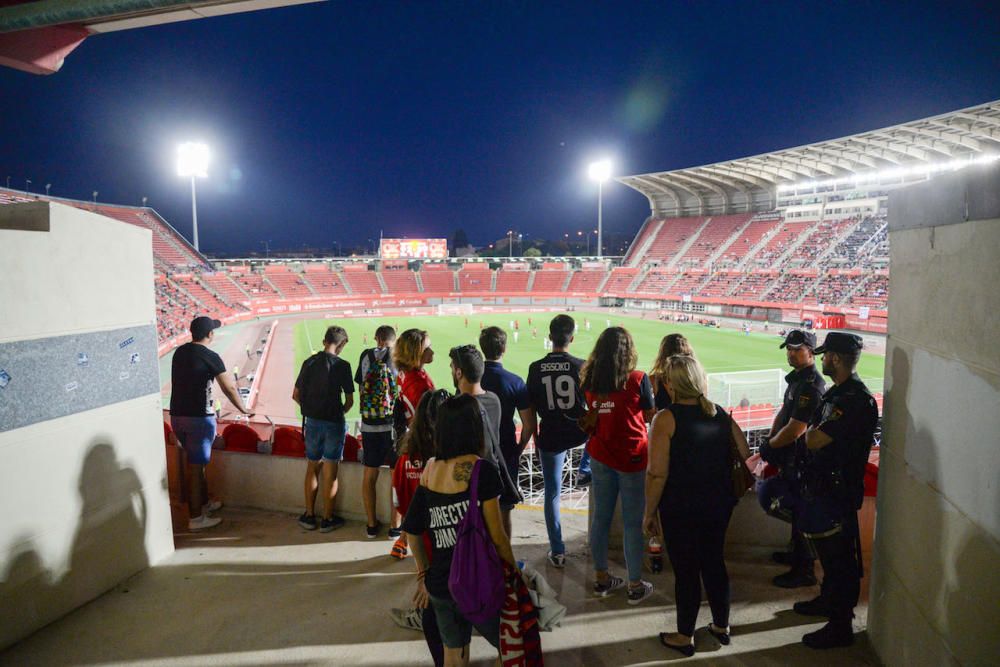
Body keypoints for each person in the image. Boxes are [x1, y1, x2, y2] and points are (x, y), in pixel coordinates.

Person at [643, 355, 750, 656]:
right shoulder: (718, 414)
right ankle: (721, 626)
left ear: (669, 383)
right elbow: (744, 453)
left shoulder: (665, 418)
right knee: (714, 562)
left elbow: (656, 473)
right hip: (719, 503)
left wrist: (649, 512)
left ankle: (684, 635)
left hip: (681, 505)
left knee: (687, 570)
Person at [401, 394, 519, 667]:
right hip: (479, 581)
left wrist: (424, 574)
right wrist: (514, 575)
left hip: (442, 583)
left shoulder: (430, 470)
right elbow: (498, 537)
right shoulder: (483, 470)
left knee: (454, 657)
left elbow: (413, 530)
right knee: (509, 644)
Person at [795, 332, 879, 649]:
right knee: (829, 556)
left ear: (836, 359)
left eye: (825, 355)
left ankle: (840, 625)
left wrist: (811, 435)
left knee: (840, 559)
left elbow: (814, 438)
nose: (822, 359)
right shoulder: (841, 393)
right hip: (826, 485)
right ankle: (828, 603)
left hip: (837, 489)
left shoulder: (853, 399)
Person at [581, 326, 656, 604]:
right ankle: (634, 584)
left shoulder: (589, 380)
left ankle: (602, 579)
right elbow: (650, 415)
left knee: (601, 517)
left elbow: (598, 411)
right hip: (632, 458)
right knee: (632, 523)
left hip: (601, 455)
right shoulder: (637, 379)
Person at [170, 316, 252, 530]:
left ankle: (204, 504)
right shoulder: (211, 356)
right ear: (210, 334)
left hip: (177, 416)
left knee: (196, 464)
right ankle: (196, 518)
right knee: (196, 468)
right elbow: (229, 388)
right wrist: (244, 409)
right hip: (198, 418)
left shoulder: (180, 352)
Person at [758, 330, 825, 588]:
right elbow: (785, 413)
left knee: (800, 512)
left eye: (797, 349)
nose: (791, 353)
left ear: (811, 351)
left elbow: (797, 427)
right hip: (791, 458)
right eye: (789, 348)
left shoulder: (811, 385)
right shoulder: (797, 381)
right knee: (795, 510)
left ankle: (804, 569)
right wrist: (772, 438)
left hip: (802, 461)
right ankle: (796, 554)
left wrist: (770, 445)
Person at [390, 389, 452, 662]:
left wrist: (421, 572)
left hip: (423, 547)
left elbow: (401, 506)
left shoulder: (404, 461)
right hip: (448, 548)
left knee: (434, 604)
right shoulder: (453, 463)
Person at [526, 314, 588, 568]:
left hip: (550, 434)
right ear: (572, 338)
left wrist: (535, 437)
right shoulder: (581, 365)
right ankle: (586, 468)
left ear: (549, 337)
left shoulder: (535, 367)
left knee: (552, 493)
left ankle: (558, 550)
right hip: (578, 432)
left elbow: (530, 407)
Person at [449, 345, 521, 536]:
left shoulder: (452, 407)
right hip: (490, 476)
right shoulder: (494, 400)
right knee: (494, 532)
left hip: (463, 480)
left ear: (458, 372)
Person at [292, 326, 354, 532]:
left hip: (312, 422)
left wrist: (309, 410)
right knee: (331, 470)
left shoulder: (308, 363)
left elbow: (295, 395)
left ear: (324, 340)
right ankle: (328, 519)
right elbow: (350, 400)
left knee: (312, 466)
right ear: (342, 344)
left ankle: (309, 516)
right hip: (334, 422)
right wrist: (339, 413)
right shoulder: (343, 365)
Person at [391, 328, 436, 557]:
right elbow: (429, 420)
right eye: (427, 347)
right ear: (416, 352)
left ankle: (403, 539)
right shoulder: (419, 384)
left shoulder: (408, 375)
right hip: (424, 446)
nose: (432, 351)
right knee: (424, 499)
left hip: (414, 442)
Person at [355, 325, 399, 539]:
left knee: (369, 475)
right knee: (395, 478)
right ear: (392, 339)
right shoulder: (398, 357)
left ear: (377, 338)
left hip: (369, 424)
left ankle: (371, 525)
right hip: (391, 427)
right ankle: (394, 526)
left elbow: (361, 388)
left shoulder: (365, 355)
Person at [479, 326, 536, 493]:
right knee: (505, 505)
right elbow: (529, 424)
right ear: (504, 348)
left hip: (477, 450)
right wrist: (519, 449)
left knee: (479, 504)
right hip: (506, 448)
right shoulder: (515, 382)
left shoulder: (471, 379)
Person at [648, 333, 696, 411]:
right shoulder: (700, 379)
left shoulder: (654, 380)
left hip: (664, 422)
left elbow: (650, 413)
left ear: (663, 354)